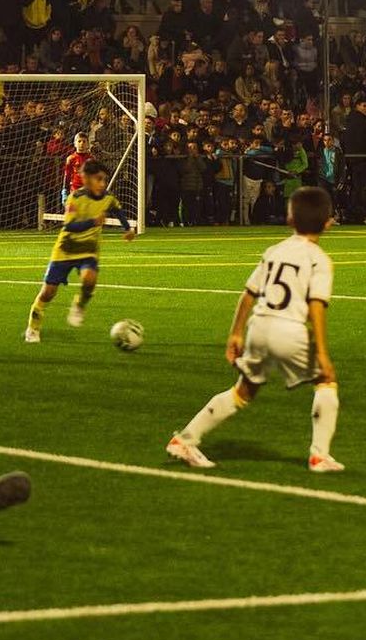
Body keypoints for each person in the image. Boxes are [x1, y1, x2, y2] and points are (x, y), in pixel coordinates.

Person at [166, 184, 342, 473]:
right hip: (289, 330)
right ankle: (319, 456)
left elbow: (248, 294)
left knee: (243, 391)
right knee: (326, 380)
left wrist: (235, 333)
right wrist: (322, 351)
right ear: (328, 223)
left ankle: (185, 439)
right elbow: (316, 306)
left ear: (289, 220)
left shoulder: (274, 250)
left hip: (258, 327)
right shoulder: (319, 259)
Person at [25, 156, 133, 342]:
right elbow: (69, 226)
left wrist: (127, 228)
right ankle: (33, 328)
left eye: (104, 179)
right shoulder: (75, 198)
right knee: (48, 292)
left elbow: (117, 210)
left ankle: (79, 305)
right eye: (99, 179)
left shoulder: (108, 198)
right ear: (87, 179)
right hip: (66, 249)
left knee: (90, 279)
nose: (103, 183)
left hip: (89, 250)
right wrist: (93, 222)